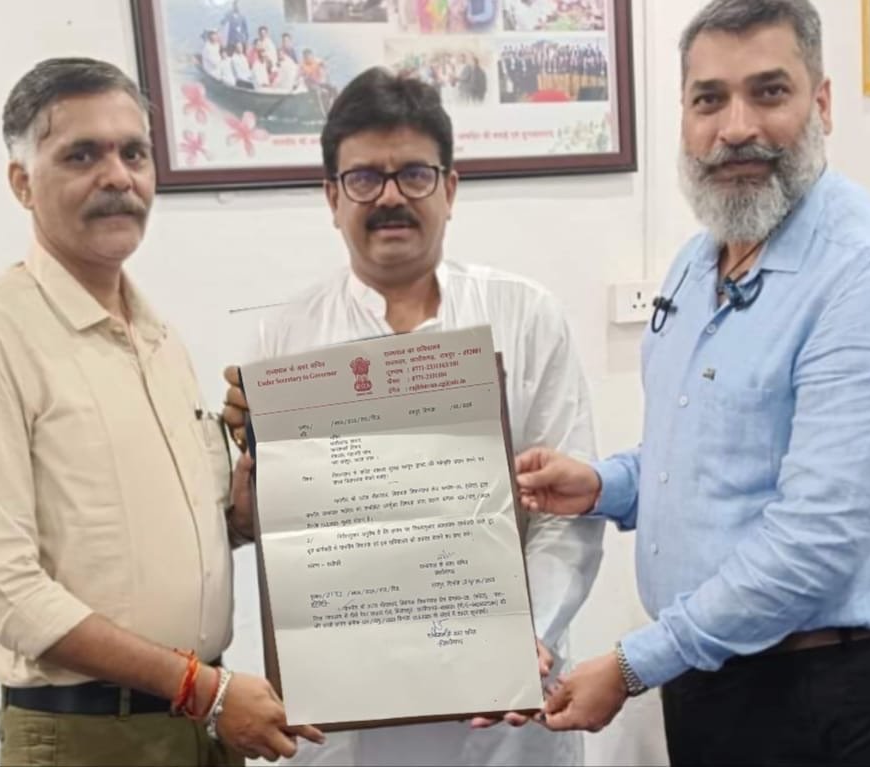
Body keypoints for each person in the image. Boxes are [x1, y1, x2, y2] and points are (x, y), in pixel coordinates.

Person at [515, 1, 870, 765]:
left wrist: (634, 663)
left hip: (814, 694)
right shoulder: (697, 263)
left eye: (769, 92)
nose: (737, 127)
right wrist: (604, 485)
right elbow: (705, 459)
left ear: (822, 103)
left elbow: (816, 539)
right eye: (709, 99)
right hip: (711, 678)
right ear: (685, 118)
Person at [0, 57, 323, 766]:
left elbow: (154, 535)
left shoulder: (159, 337)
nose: (117, 176)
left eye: (133, 153)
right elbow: (1, 590)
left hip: (200, 725)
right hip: (90, 737)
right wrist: (204, 689)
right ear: (21, 181)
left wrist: (241, 512)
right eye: (82, 155)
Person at [220, 67, 604, 767]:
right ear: (332, 197)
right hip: (348, 719)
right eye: (365, 178)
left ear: (450, 189)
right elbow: (283, 535)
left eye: (415, 175)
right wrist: (252, 495)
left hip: (504, 717)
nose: (391, 196)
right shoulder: (286, 340)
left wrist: (525, 634)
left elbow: (567, 516)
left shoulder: (525, 315)